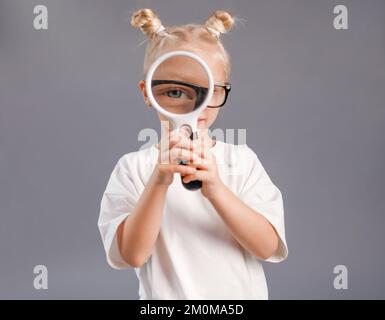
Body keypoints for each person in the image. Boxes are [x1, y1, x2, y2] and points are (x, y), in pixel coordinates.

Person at [98, 8, 288, 299]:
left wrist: (216, 189)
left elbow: (267, 247)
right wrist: (159, 180)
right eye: (175, 92)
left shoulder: (242, 162)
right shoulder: (132, 169)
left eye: (209, 91)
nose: (194, 105)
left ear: (222, 91)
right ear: (148, 93)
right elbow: (132, 255)